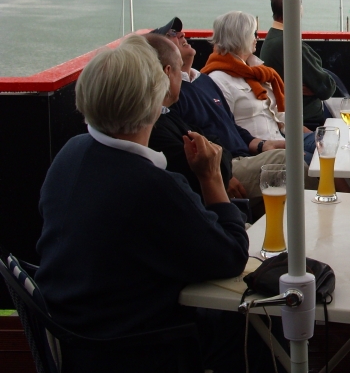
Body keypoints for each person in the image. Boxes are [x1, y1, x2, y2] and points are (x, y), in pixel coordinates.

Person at [35, 35, 254, 372]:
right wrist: (211, 177)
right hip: (134, 349)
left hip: (76, 337)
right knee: (253, 323)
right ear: (155, 103)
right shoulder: (149, 185)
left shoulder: (71, 152)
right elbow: (231, 256)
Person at [151, 17, 294, 198]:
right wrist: (222, 174)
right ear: (163, 63)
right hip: (225, 166)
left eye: (180, 31)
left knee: (300, 154)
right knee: (293, 162)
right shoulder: (173, 96)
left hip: (243, 156)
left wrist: (262, 144)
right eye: (172, 33)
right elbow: (188, 148)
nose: (182, 34)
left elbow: (230, 124)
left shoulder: (204, 81)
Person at [201, 11, 316, 163]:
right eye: (254, 33)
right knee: (320, 162)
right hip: (261, 152)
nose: (257, 38)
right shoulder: (219, 80)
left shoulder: (255, 71)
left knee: (330, 143)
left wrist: (308, 134)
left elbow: (279, 114)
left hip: (282, 137)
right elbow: (225, 129)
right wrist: (261, 145)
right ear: (241, 37)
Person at [145, 33, 246, 200]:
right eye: (179, 69)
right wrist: (221, 167)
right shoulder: (155, 126)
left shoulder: (167, 114)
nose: (182, 77)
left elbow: (216, 143)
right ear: (168, 72)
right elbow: (198, 168)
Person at [260, 0, 336, 130]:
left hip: (286, 118)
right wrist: (314, 87)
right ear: (296, 9)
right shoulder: (290, 44)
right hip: (306, 121)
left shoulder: (271, 38)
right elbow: (326, 88)